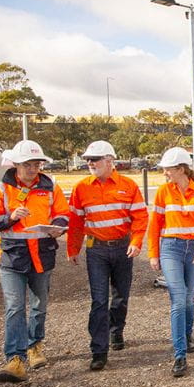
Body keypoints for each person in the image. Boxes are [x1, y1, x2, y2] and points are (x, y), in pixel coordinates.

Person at [0, 140, 69, 383]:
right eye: (28, 164)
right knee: (15, 307)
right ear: (16, 165)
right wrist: (10, 217)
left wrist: (58, 227)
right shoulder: (1, 189)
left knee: (39, 305)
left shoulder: (51, 187)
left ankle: (35, 347)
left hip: (41, 254)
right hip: (12, 257)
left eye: (37, 164)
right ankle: (15, 358)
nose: (33, 169)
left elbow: (63, 214)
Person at [67, 141, 148, 371]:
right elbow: (75, 222)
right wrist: (73, 248)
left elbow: (140, 217)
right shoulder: (81, 188)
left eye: (95, 159)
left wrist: (136, 242)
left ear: (110, 161)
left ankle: (116, 331)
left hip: (123, 248)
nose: (90, 163)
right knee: (99, 300)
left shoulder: (128, 185)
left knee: (121, 296)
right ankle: (99, 350)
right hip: (97, 250)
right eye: (88, 160)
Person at [147, 147, 194, 377]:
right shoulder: (163, 192)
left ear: (181, 169)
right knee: (178, 298)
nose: (165, 173)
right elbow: (155, 224)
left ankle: (187, 335)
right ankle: (180, 354)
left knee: (188, 298)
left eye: (168, 169)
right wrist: (153, 253)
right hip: (170, 248)